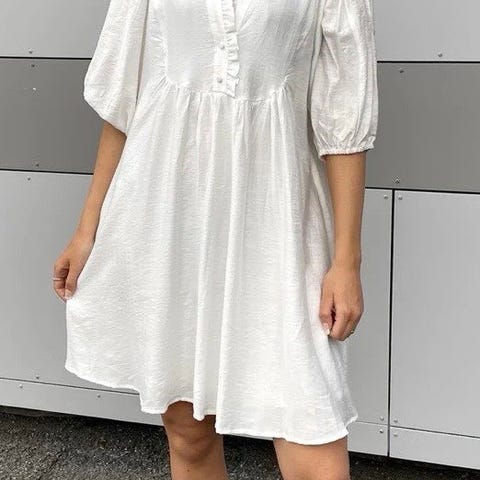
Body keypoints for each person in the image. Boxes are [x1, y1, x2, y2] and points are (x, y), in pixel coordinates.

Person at [53, 0, 378, 478]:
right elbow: (123, 101)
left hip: (279, 223)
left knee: (311, 429)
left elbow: (344, 121)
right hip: (169, 219)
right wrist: (87, 232)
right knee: (188, 432)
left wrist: (347, 261)